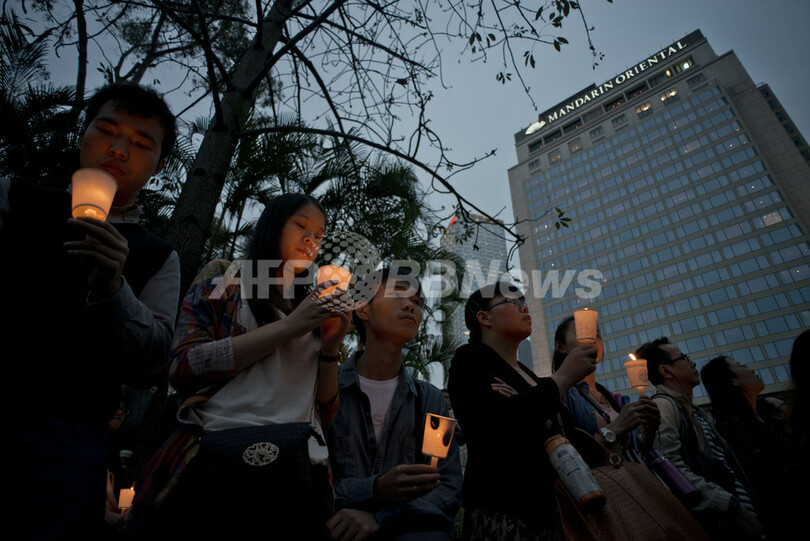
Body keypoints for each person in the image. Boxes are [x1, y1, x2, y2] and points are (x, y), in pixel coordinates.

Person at [0, 82, 181, 538]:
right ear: (83, 133)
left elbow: (154, 359)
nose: (119, 149)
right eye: (108, 130)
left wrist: (114, 288)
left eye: (141, 143)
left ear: (159, 166)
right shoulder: (16, 199)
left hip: (71, 436)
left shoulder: (157, 255)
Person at [132, 193, 351, 538]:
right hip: (218, 456)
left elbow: (325, 409)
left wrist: (331, 346)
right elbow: (184, 363)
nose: (311, 240)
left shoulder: (311, 305)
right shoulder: (229, 276)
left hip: (297, 470)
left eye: (319, 235)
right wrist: (290, 326)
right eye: (301, 226)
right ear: (273, 225)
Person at [447, 282, 598, 540]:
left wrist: (532, 409)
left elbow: (565, 432)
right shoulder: (469, 361)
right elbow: (501, 425)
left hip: (554, 510)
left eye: (524, 302)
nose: (524, 308)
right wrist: (562, 378)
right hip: (504, 513)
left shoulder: (531, 377)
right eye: (512, 302)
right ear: (484, 318)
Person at [325, 268, 463, 540]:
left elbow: (447, 485)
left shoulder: (430, 400)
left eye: (418, 302)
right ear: (363, 308)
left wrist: (381, 517)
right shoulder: (327, 389)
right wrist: (374, 488)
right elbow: (307, 482)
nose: (411, 305)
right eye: (398, 294)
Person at [637, 337, 764, 540]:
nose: (693, 363)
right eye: (684, 358)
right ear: (666, 371)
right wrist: (728, 505)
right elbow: (670, 467)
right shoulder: (663, 407)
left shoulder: (696, 413)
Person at [701, 355, 801, 539]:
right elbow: (761, 476)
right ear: (732, 380)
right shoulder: (732, 425)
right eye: (742, 365)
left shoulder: (768, 416)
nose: (751, 370)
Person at [552, 315, 660, 453]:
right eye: (582, 333)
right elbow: (570, 456)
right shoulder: (561, 395)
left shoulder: (613, 399)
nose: (592, 339)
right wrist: (615, 427)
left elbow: (638, 451)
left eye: (596, 335)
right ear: (561, 346)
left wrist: (649, 430)